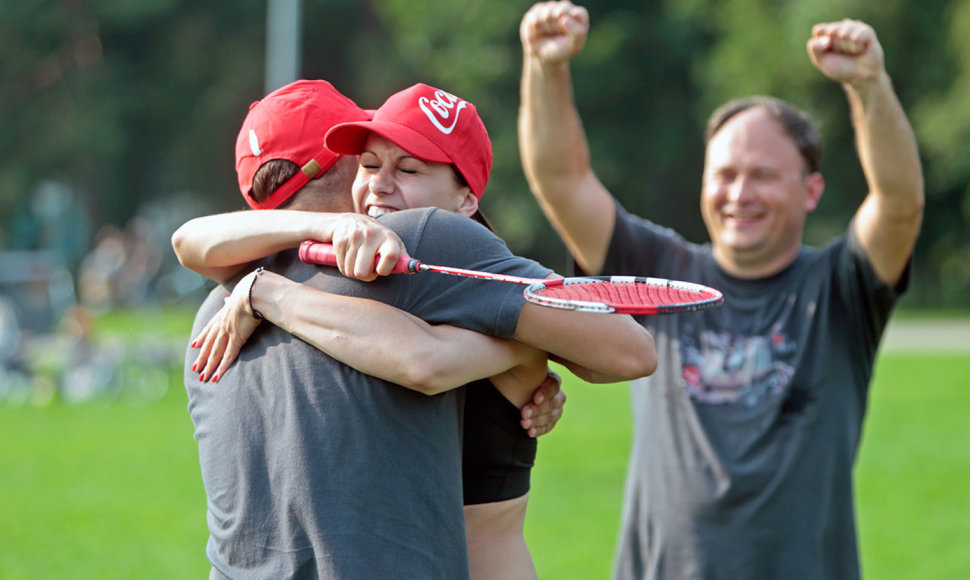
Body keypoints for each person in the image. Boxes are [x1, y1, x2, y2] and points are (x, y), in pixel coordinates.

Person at [176, 79, 657, 579]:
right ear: (337, 164)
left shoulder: (211, 310)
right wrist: (518, 346)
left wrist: (515, 346)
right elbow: (427, 362)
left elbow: (188, 241)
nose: (380, 183)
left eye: (406, 166)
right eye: (368, 161)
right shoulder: (414, 239)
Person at [519, 4, 924, 579]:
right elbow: (561, 182)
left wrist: (869, 85)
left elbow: (900, 203)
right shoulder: (658, 274)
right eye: (725, 174)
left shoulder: (840, 289)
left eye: (762, 175)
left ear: (811, 191)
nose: (739, 193)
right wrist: (543, 65)